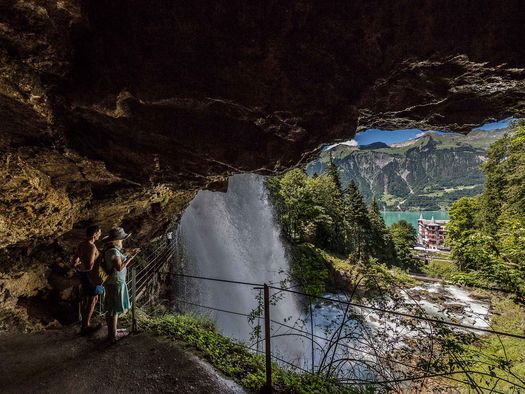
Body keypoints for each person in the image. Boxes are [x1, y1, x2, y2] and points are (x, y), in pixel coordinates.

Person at [102, 227, 140, 343]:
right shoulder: (113, 251)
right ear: (117, 240)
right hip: (115, 282)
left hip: (112, 282)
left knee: (112, 308)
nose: (122, 241)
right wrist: (130, 257)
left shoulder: (110, 249)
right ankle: (112, 336)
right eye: (122, 239)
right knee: (113, 309)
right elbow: (119, 267)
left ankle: (113, 332)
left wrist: (127, 255)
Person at [72, 224, 103, 335]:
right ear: (94, 234)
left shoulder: (81, 245)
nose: (100, 234)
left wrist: (80, 267)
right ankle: (85, 327)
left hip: (83, 275)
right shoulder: (91, 246)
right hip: (91, 276)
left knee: (89, 299)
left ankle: (85, 323)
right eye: (99, 232)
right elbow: (90, 265)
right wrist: (98, 256)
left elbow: (74, 262)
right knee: (93, 299)